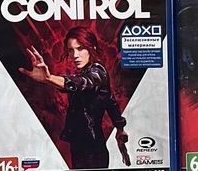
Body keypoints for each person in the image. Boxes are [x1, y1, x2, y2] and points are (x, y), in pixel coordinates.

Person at [19, 27, 129, 169]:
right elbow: (110, 101)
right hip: (81, 146)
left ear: (92, 48)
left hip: (92, 150)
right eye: (71, 50)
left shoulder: (97, 72)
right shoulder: (86, 73)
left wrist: (48, 78)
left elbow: (81, 83)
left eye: (80, 48)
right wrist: (120, 128)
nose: (75, 55)